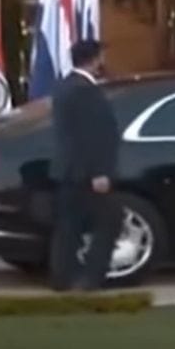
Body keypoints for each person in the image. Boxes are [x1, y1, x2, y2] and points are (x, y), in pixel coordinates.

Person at [49, 39, 122, 292]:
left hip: (69, 170)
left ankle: (63, 277)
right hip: (85, 172)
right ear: (94, 59)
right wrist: (99, 172)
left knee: (70, 226)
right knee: (109, 221)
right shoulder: (84, 90)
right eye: (101, 56)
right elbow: (92, 134)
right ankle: (91, 277)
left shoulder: (65, 86)